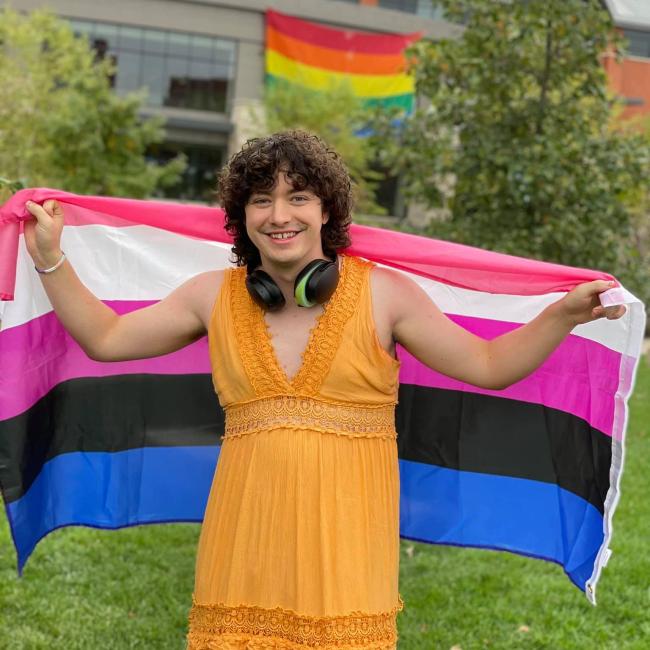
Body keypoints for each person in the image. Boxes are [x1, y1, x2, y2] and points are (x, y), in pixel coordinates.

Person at [24, 130, 625, 649]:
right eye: (262, 200)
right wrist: (51, 258)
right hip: (245, 540)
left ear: (326, 211)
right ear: (241, 217)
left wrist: (561, 316)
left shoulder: (384, 294)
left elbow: (489, 364)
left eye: (298, 197)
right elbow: (105, 337)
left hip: (346, 547)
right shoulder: (209, 295)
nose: (279, 215)